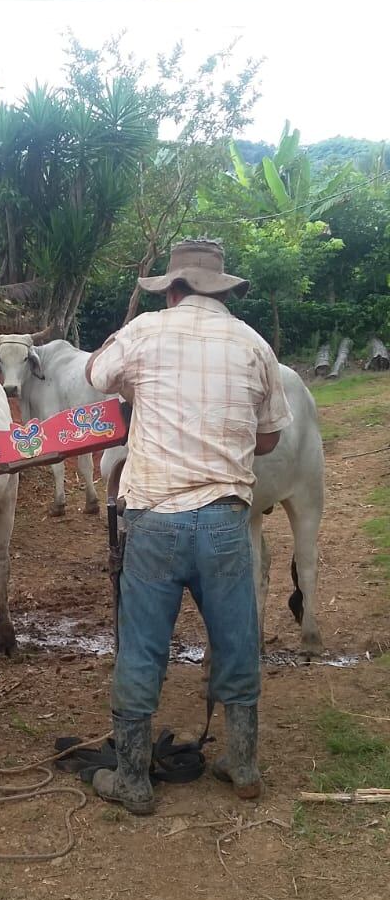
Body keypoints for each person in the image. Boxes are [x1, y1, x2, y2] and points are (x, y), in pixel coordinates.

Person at [86, 239, 292, 815]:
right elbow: (269, 438)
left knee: (142, 646)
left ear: (172, 290)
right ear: (221, 291)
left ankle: (132, 777)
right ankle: (243, 764)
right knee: (236, 638)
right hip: (225, 519)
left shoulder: (145, 331)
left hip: (154, 518)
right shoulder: (254, 344)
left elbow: (96, 375)